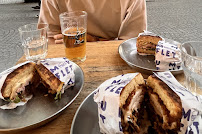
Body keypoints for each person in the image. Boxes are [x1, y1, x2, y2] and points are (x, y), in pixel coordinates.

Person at [38, 0, 147, 44]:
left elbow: (133, 45)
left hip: (113, 60)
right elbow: (49, 40)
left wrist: (94, 41)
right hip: (67, 58)